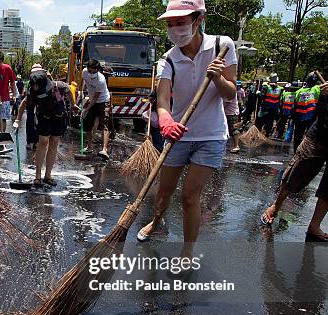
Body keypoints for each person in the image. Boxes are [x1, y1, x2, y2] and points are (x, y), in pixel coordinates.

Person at [136, 0, 237, 260]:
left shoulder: (222, 46)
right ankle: (157, 221)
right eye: (170, 24)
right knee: (163, 192)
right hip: (177, 135)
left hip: (210, 135)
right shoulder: (168, 59)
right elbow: (161, 101)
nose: (175, 29)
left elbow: (231, 93)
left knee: (190, 197)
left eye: (180, 22)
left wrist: (218, 78)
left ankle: (187, 251)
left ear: (198, 20)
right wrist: (166, 120)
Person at [261, 81, 328, 241]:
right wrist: (323, 96)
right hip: (319, 135)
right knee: (295, 172)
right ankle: (276, 206)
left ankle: (314, 226)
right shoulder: (315, 91)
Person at [14, 69, 76, 187]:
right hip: (43, 116)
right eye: (35, 86)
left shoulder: (59, 86)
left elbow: (69, 91)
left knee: (54, 142)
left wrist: (73, 105)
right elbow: (23, 104)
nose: (37, 89)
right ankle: (37, 176)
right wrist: (17, 120)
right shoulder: (32, 91)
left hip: (58, 116)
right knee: (43, 141)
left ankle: (48, 175)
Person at [81, 59, 111, 160]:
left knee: (104, 125)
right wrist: (81, 91)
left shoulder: (101, 80)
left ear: (97, 70)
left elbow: (95, 99)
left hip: (103, 101)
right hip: (92, 99)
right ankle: (89, 146)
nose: (91, 73)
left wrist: (85, 109)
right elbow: (83, 81)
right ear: (87, 68)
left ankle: (104, 149)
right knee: (87, 123)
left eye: (94, 71)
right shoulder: (84, 72)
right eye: (90, 71)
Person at [292, 72, 321, 153]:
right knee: (308, 137)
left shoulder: (299, 91)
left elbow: (295, 106)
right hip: (308, 117)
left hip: (303, 117)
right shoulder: (317, 89)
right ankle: (303, 153)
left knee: (299, 137)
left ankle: (297, 152)